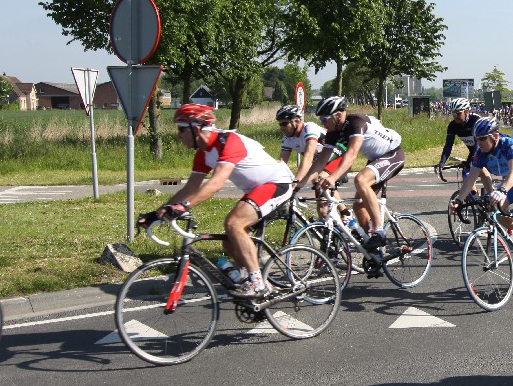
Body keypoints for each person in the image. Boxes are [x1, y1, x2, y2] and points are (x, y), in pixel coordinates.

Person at [137, 104, 295, 299]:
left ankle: (258, 285)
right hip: (256, 190)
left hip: (276, 183)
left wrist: (183, 207)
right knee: (229, 243)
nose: (178, 135)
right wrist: (157, 213)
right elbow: (189, 189)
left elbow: (216, 183)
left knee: (233, 223)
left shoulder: (228, 142)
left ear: (196, 128)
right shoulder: (203, 153)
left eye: (181, 129)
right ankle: (255, 281)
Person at [303, 96, 404, 261]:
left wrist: (333, 177)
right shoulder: (333, 132)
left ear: (338, 115)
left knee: (360, 180)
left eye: (324, 119)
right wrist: (299, 184)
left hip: (393, 155)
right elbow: (321, 161)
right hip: (376, 159)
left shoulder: (356, 123)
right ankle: (373, 250)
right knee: (358, 206)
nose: (322, 123)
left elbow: (351, 155)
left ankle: (379, 233)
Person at [451, 117, 513, 275]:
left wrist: (502, 190)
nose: (479, 143)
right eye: (476, 139)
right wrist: (458, 200)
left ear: (495, 136)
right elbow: (471, 179)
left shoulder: (511, 146)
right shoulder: (480, 153)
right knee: (496, 209)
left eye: (483, 139)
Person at [275, 104, 346, 218]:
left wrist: (296, 182)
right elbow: (282, 163)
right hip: (320, 164)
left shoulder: (309, 128)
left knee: (320, 182)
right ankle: (341, 216)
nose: (281, 127)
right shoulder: (287, 139)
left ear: (297, 121)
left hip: (338, 157)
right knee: (322, 209)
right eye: (280, 124)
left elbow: (308, 157)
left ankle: (344, 215)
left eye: (284, 124)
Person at [434, 97, 494, 193]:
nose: (455, 116)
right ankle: (474, 197)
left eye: (458, 113)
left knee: (480, 168)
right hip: (474, 151)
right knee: (466, 174)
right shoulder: (453, 125)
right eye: (453, 114)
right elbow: (448, 146)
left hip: (487, 150)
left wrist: (472, 161)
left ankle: (492, 195)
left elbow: (477, 146)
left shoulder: (476, 121)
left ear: (466, 112)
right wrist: (442, 162)